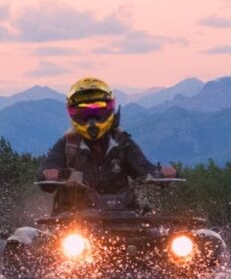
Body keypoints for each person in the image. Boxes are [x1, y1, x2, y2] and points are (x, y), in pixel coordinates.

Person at [39, 77, 177, 213]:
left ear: (109, 110)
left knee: (165, 234)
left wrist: (161, 174)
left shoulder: (123, 143)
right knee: (29, 235)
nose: (92, 119)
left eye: (98, 111)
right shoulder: (67, 145)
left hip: (124, 218)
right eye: (84, 113)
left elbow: (143, 166)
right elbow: (48, 173)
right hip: (73, 221)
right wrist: (49, 174)